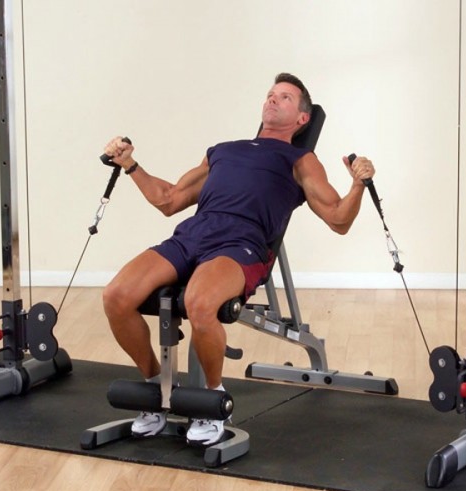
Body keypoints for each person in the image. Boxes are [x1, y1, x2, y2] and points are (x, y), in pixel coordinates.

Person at [102, 73, 375, 446]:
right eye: (271, 94)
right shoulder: (223, 150)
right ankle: (157, 390)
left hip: (240, 245)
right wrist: (130, 164)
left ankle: (212, 402)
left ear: (302, 119)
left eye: (285, 97)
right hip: (192, 235)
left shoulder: (300, 159)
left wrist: (358, 185)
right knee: (115, 296)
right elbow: (169, 199)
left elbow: (338, 219)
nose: (273, 99)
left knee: (200, 302)